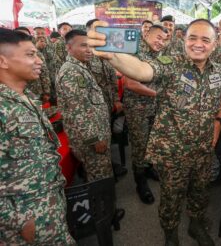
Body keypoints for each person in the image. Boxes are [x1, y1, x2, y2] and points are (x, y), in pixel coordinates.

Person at [88, 18, 221, 246]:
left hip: (204, 149)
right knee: (171, 197)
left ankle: (196, 225)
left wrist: (218, 121)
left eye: (205, 39)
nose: (198, 44)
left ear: (214, 44)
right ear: (183, 41)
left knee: (200, 192)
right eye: (192, 38)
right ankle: (171, 235)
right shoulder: (170, 64)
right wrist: (113, 56)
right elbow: (143, 71)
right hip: (172, 151)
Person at [0, 28, 75, 245]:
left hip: (47, 209)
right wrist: (18, 221)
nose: (39, 61)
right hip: (23, 225)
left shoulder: (26, 98)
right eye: (30, 55)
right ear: (3, 62)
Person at [56, 30, 113, 182]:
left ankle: (104, 204)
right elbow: (78, 111)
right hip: (91, 139)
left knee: (101, 173)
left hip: (96, 132)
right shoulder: (71, 72)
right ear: (69, 48)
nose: (88, 50)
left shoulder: (80, 67)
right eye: (83, 46)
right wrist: (94, 139)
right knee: (99, 177)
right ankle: (102, 206)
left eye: (89, 46)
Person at [123, 25, 168, 204]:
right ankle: (140, 181)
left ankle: (149, 168)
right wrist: (158, 94)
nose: (161, 42)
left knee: (152, 141)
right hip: (138, 109)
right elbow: (131, 84)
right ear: (146, 34)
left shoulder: (159, 55)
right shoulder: (134, 52)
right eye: (158, 37)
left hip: (155, 109)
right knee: (140, 145)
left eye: (164, 39)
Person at [85, 18, 127, 179]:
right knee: (96, 146)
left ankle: (107, 167)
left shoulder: (109, 51)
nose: (103, 35)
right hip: (93, 111)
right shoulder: (85, 54)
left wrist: (116, 100)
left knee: (106, 140)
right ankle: (100, 173)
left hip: (108, 106)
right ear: (90, 32)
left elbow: (112, 81)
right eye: (98, 31)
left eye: (106, 31)